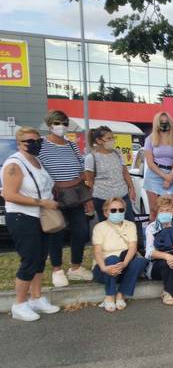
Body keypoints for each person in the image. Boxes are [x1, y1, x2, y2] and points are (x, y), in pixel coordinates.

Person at [1, 127, 61, 321]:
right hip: (22, 217)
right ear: (19, 143)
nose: (35, 144)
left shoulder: (37, 161)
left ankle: (36, 297)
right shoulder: (14, 164)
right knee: (29, 260)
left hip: (40, 217)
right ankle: (19, 304)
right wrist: (42, 202)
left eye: (38, 141)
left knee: (40, 259)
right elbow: (9, 194)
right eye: (30, 141)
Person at [38, 110, 92, 287]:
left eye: (64, 123)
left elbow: (82, 168)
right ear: (49, 124)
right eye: (57, 122)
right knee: (57, 231)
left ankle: (75, 267)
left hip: (75, 193)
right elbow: (38, 170)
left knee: (82, 230)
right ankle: (57, 269)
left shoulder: (71, 145)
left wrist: (82, 183)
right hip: (54, 195)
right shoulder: (41, 145)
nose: (61, 126)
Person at [92, 197, 147, 312]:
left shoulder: (130, 225)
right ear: (105, 213)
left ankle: (121, 294)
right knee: (112, 258)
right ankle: (110, 296)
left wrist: (125, 263)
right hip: (104, 269)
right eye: (113, 210)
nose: (117, 212)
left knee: (140, 261)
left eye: (121, 210)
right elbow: (97, 251)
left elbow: (133, 247)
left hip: (123, 267)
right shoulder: (99, 227)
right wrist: (104, 268)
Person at [84, 126, 136, 222]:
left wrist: (132, 188)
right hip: (102, 199)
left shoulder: (117, 153)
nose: (112, 140)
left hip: (123, 196)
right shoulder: (91, 158)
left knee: (129, 224)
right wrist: (89, 200)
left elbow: (125, 172)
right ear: (99, 141)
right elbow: (90, 182)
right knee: (108, 229)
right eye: (109, 138)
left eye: (113, 138)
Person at [143, 112, 173, 221]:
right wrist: (165, 177)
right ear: (157, 123)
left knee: (168, 209)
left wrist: (170, 177)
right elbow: (150, 163)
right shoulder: (150, 139)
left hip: (172, 174)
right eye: (161, 122)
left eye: (166, 122)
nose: (164, 124)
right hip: (154, 175)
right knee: (154, 210)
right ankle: (153, 235)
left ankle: (168, 235)